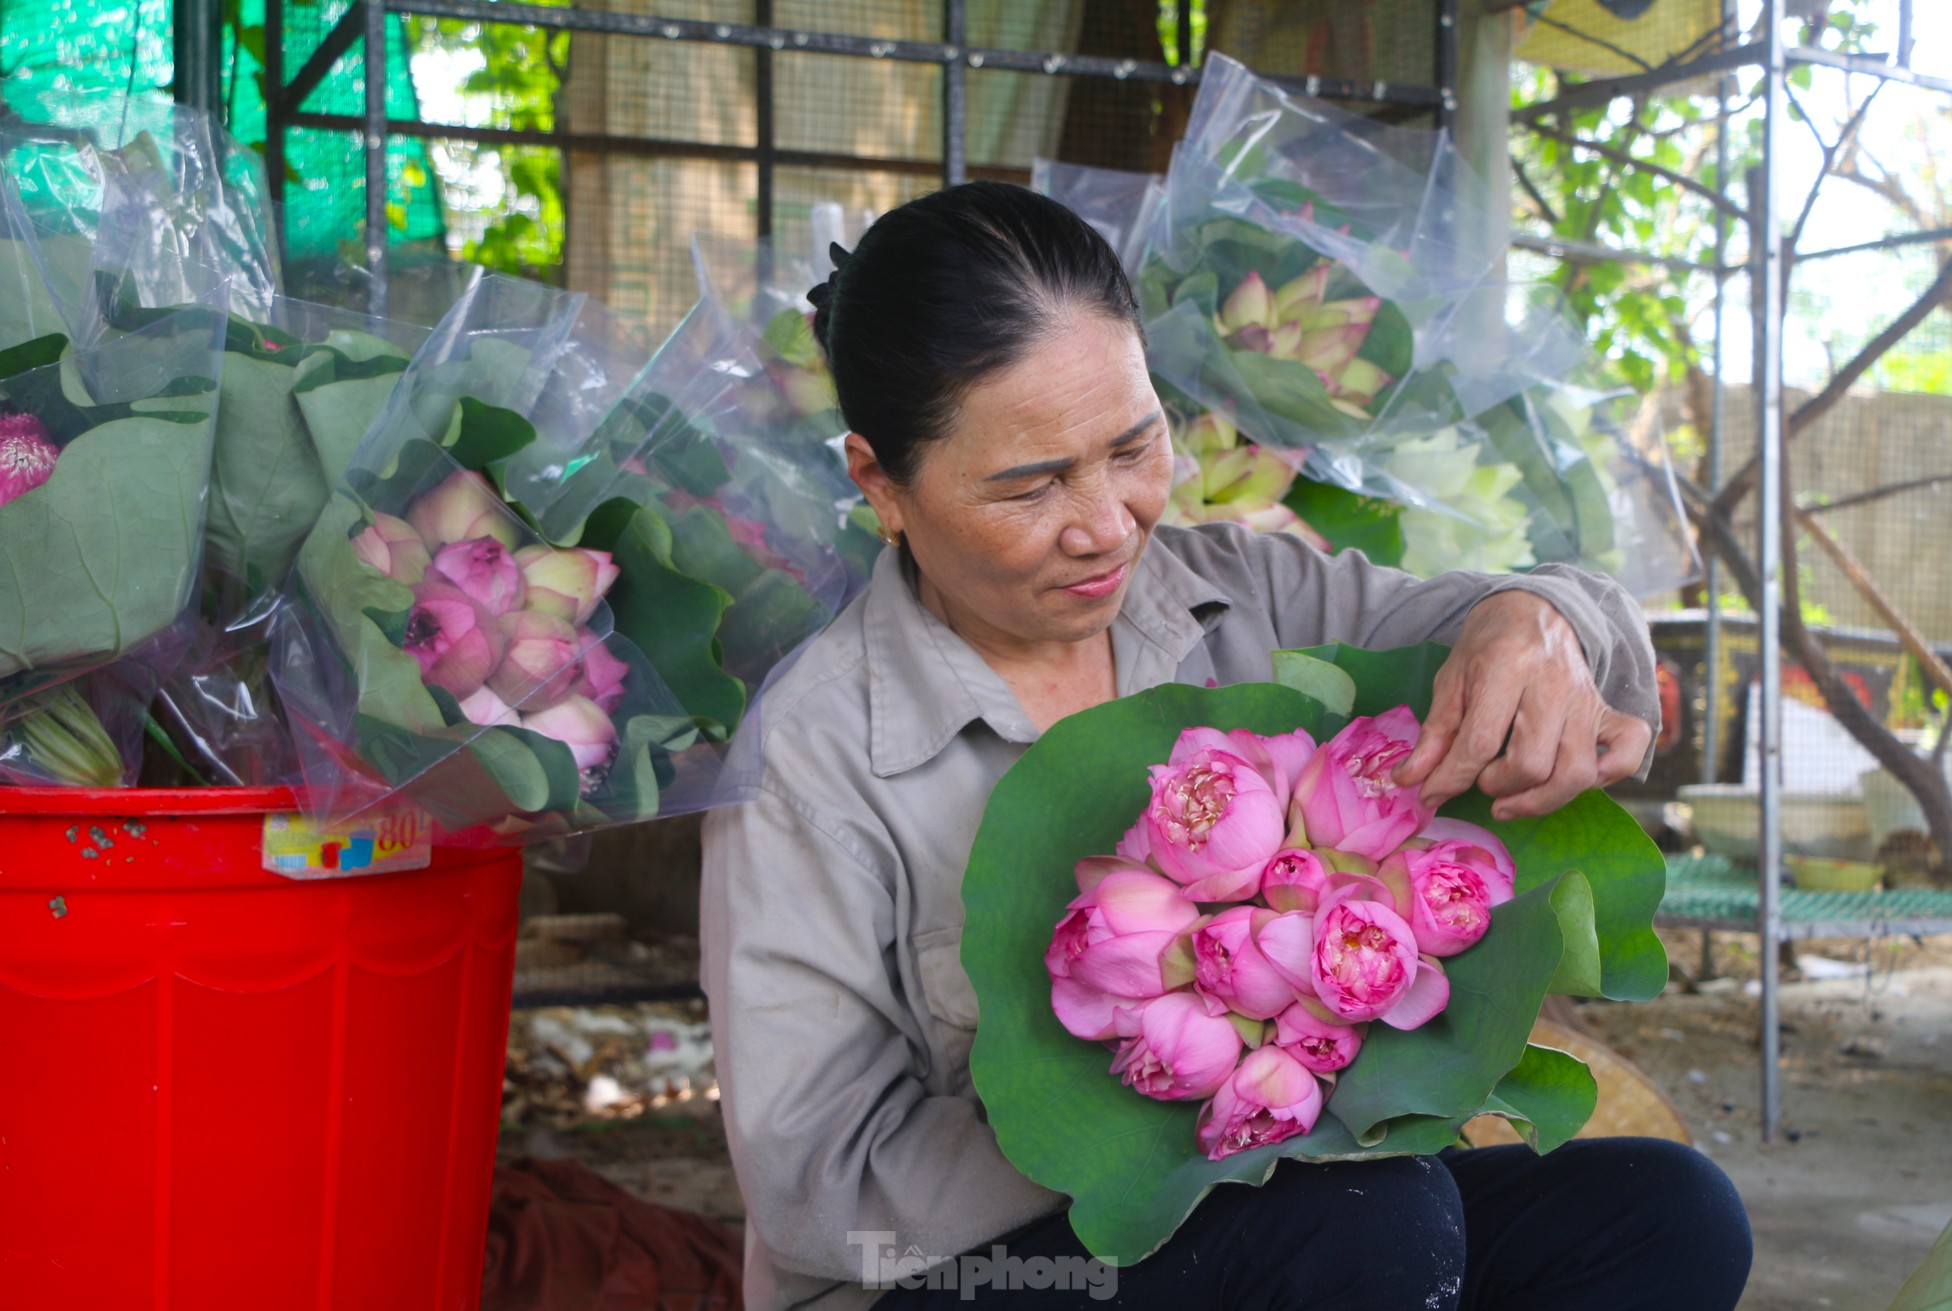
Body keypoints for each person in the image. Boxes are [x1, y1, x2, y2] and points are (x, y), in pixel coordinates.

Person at [700, 181, 1751, 1311]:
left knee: (1663, 1212)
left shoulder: (1241, 595)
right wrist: (1188, 1068)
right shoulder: (812, 759)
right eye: (1031, 483)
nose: (1106, 524)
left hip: (1294, 1222)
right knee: (1366, 1226)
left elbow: (1520, 618)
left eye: (1131, 446)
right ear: (880, 483)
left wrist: (1542, 621)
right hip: (970, 1276)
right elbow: (819, 1199)